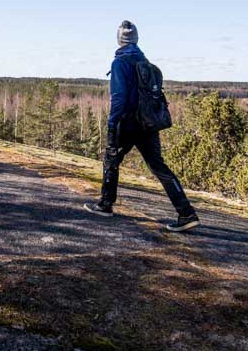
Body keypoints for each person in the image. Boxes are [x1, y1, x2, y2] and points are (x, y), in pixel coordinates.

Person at [84, 20, 200, 232]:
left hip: (128, 124)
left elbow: (118, 98)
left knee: (111, 159)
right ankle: (186, 212)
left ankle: (105, 204)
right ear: (136, 39)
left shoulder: (120, 63)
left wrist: (112, 124)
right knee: (158, 166)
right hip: (148, 124)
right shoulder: (144, 61)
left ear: (119, 39)